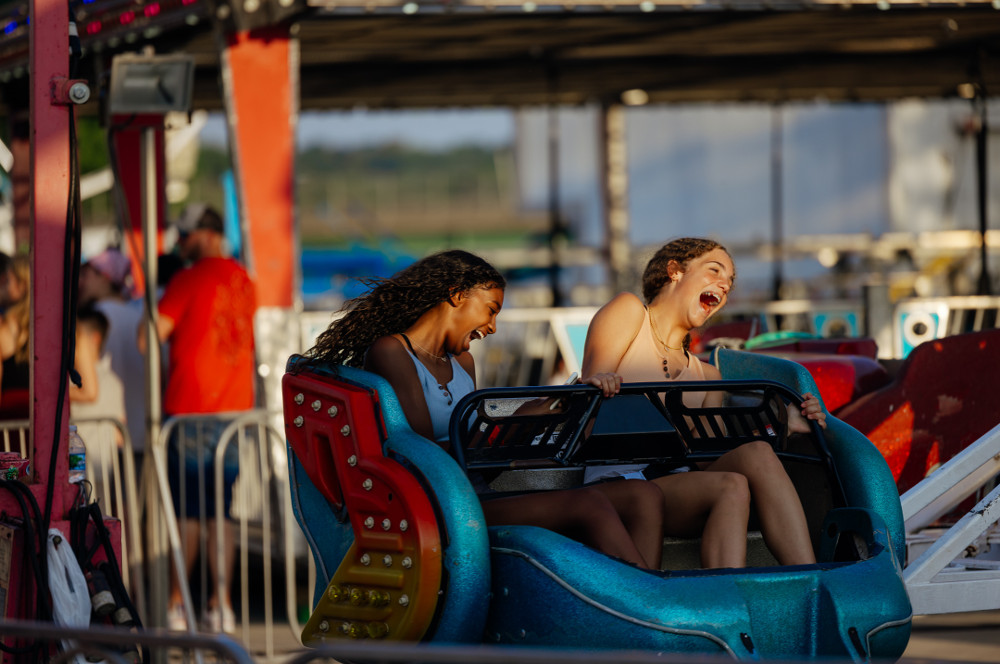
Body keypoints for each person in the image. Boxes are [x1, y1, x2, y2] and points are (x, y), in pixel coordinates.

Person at [305, 250, 665, 570]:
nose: (492, 328)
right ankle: (647, 605)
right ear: (457, 295)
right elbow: (426, 456)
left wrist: (557, 410)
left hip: (483, 484)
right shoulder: (392, 352)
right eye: (490, 311)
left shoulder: (462, 361)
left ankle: (654, 598)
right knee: (590, 504)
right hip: (445, 503)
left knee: (642, 494)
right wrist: (524, 422)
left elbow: (477, 439)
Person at [581, 237, 825, 569]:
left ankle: (808, 575)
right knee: (730, 485)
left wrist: (782, 424)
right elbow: (590, 391)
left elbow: (708, 458)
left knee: (753, 458)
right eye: (714, 271)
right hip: (617, 480)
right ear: (674, 272)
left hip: (675, 486)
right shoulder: (628, 312)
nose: (724, 285)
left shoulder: (709, 376)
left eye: (730, 282)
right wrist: (600, 380)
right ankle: (726, 592)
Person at [139, 204, 256, 633]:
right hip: (235, 409)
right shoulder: (245, 281)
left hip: (191, 410)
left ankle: (177, 602)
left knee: (189, 512)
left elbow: (147, 338)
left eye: (185, 238)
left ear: (205, 235)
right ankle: (220, 603)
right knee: (220, 511)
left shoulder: (189, 279)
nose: (181, 246)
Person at [78, 248, 146, 464]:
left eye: (86, 275)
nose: (80, 282)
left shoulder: (98, 318)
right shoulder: (138, 315)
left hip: (107, 439)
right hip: (141, 432)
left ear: (105, 277)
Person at [71, 306, 127, 506]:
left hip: (75, 466)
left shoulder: (72, 382)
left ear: (92, 339)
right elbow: (119, 436)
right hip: (104, 466)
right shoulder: (115, 382)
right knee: (100, 516)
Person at [0, 254, 30, 420]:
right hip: (42, 428)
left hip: (9, 426)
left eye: (8, 280)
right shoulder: (49, 326)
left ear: (23, 285)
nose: (3, 286)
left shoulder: (7, 328)